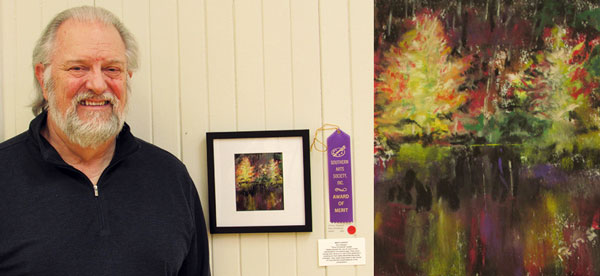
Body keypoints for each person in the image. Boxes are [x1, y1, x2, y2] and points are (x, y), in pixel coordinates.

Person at [0, 6, 210, 275]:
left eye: (112, 69)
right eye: (78, 67)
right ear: (44, 78)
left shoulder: (170, 177)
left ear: (127, 78)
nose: (98, 85)